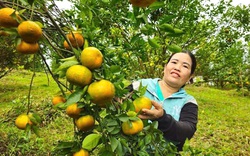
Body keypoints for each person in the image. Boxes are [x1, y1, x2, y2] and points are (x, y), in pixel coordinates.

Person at [129, 51, 198, 151]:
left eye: (185, 66)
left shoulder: (188, 102)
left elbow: (187, 131)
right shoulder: (140, 85)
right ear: (165, 67)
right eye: (174, 62)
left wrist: (162, 118)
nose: (177, 68)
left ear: (190, 76)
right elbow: (115, 102)